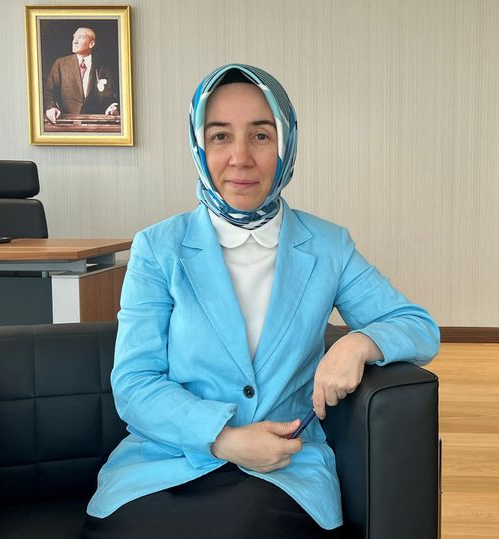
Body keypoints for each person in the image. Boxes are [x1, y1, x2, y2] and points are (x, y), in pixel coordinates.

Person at [83, 64, 439, 538]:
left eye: (261, 136)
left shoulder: (328, 245)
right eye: (220, 137)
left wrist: (358, 345)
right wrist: (224, 439)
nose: (240, 158)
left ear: (286, 144)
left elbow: (417, 326)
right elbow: (134, 383)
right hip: (164, 464)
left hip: (284, 470)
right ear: (198, 145)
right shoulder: (158, 247)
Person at [43, 27, 119, 125]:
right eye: (74, 37)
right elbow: (49, 92)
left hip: (96, 125)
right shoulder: (60, 64)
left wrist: (112, 107)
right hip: (66, 124)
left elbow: (111, 96)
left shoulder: (103, 67)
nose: (75, 41)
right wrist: (51, 107)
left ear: (91, 44)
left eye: (81, 37)